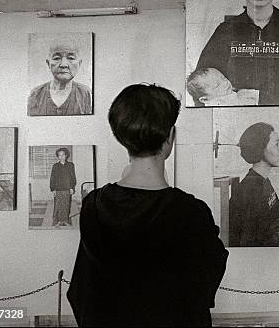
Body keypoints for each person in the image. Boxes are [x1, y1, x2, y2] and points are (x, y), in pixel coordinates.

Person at [67, 84, 228, 326]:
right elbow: (205, 284)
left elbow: (82, 289)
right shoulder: (192, 211)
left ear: (122, 137)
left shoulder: (95, 205)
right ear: (170, 136)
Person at [229, 122, 279, 247]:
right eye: (276, 144)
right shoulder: (250, 190)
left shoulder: (262, 181)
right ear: (260, 148)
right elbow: (247, 243)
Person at [28, 36, 92, 116]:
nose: (64, 64)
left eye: (71, 58)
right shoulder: (36, 94)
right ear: (48, 63)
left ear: (79, 63)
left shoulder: (87, 94)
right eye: (57, 58)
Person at [186, 67, 259, 106]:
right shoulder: (220, 105)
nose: (225, 83)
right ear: (205, 100)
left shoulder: (229, 92)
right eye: (217, 85)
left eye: (223, 78)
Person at [50, 147, 77, 227]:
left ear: (66, 155)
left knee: (66, 204)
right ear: (58, 156)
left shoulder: (70, 165)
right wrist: (53, 189)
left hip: (67, 188)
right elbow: (52, 178)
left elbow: (73, 177)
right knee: (58, 205)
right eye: (59, 155)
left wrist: (72, 188)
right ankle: (58, 221)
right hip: (58, 189)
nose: (61, 157)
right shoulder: (55, 166)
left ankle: (65, 220)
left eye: (63, 155)